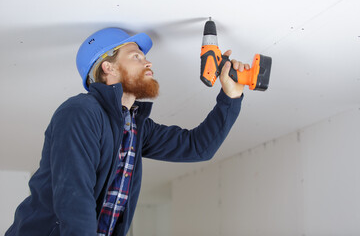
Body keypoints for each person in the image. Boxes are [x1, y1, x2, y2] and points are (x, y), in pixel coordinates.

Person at [6, 27, 248, 236]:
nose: (148, 62)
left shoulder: (133, 125)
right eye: (136, 56)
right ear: (108, 68)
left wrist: (231, 95)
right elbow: (74, 198)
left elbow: (198, 147)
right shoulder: (80, 112)